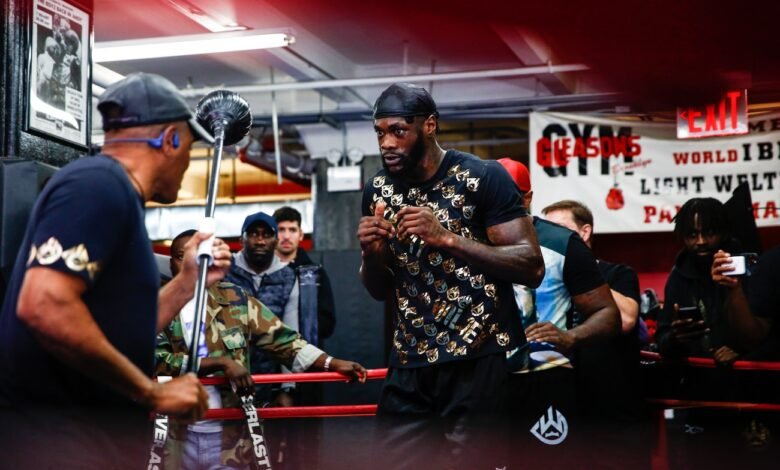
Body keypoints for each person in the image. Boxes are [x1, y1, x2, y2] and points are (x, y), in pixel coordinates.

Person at [0, 73, 232, 469]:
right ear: (170, 140)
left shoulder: (116, 196)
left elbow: (123, 332)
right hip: (57, 444)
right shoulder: (98, 184)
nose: (187, 164)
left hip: (90, 443)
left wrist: (186, 282)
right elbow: (43, 305)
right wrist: (150, 391)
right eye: (190, 148)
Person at [358, 83, 545, 469]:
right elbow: (379, 289)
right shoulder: (378, 189)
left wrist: (446, 238)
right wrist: (372, 255)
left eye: (398, 131)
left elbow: (531, 266)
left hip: (477, 358)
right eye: (380, 133)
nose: (387, 143)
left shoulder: (483, 176)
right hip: (409, 359)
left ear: (429, 125)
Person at [156, 230, 367, 470]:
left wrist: (331, 363)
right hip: (176, 435)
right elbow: (155, 360)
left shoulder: (234, 298)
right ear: (171, 262)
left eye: (196, 256)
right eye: (180, 256)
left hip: (229, 438)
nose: (189, 262)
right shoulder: (159, 303)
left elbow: (283, 339)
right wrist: (221, 364)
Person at [496, 159, 620, 464]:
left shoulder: (561, 242)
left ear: (527, 198)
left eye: (506, 195)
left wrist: (570, 336)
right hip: (483, 379)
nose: (496, 202)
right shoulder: (466, 240)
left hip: (544, 376)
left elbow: (608, 313)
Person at [655, 198, 743, 367]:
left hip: (747, 374)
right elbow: (662, 338)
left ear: (723, 232)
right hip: (696, 376)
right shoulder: (678, 275)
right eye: (692, 235)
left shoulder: (745, 267)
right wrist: (675, 338)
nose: (701, 242)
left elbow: (768, 329)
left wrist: (741, 349)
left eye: (709, 233)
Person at [273, 205, 336, 343]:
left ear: (301, 235)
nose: (286, 236)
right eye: (281, 230)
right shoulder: (263, 271)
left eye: (292, 230)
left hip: (306, 350)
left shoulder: (316, 274)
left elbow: (328, 323)